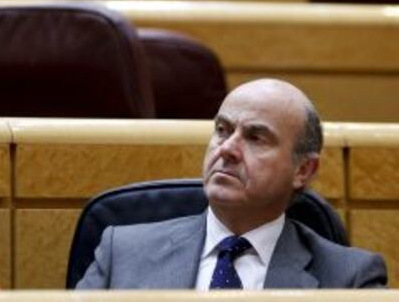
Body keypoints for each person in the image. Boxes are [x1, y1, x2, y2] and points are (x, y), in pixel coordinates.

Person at [77, 78, 387, 289]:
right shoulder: (122, 253)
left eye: (255, 137)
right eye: (223, 130)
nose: (226, 149)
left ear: (303, 169)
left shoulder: (350, 278)